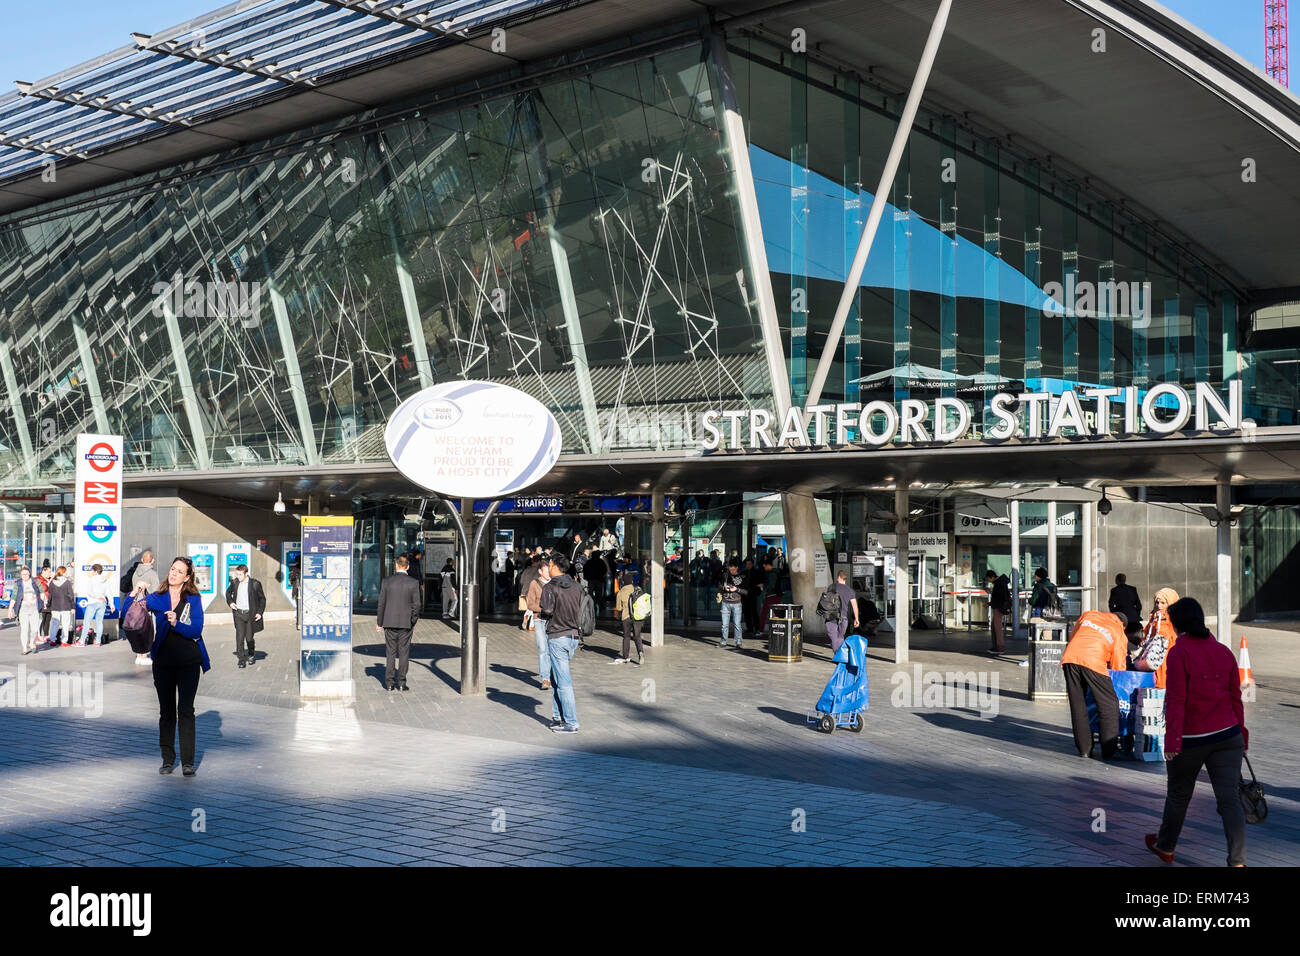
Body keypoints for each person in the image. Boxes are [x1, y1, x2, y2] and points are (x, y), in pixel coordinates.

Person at [1145, 597, 1248, 867]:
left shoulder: (1180, 653)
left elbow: (1176, 699)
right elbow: (1235, 698)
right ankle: (1237, 862)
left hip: (1191, 740)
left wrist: (1171, 740)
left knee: (1179, 795)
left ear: (1178, 625)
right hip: (1228, 736)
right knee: (1229, 801)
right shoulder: (1224, 651)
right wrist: (1242, 734)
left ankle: (1166, 847)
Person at [135, 557, 209, 776]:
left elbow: (196, 629)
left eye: (180, 571)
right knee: (167, 712)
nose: (174, 573)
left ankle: (188, 762)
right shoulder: (158, 598)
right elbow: (130, 610)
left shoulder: (193, 599)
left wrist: (178, 623)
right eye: (173, 569)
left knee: (186, 711)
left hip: (188, 662)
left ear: (187, 577)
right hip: (164, 662)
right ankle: (168, 760)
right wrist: (135, 592)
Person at [1060, 609, 1129, 759]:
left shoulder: (1089, 614)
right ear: (1123, 625)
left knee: (1078, 705)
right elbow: (1118, 666)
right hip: (1093, 661)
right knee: (1109, 705)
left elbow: (1074, 635)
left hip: (1070, 657)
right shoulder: (1118, 631)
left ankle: (1084, 749)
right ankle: (1109, 750)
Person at [539, 554, 583, 733]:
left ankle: (571, 723)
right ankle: (558, 717)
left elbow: (547, 609)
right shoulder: (577, 586)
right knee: (556, 678)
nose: (548, 568)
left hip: (557, 636)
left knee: (564, 683)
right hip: (573, 637)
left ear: (555, 566)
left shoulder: (550, 586)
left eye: (549, 565)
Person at [376, 555, 422, 691]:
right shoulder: (413, 582)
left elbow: (381, 603)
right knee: (404, 652)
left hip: (389, 622)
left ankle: (389, 683)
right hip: (406, 623)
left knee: (390, 652)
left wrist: (379, 622)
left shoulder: (386, 581)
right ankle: (401, 683)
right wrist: (412, 620)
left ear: (396, 566)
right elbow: (417, 605)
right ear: (407, 567)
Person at [1133, 587, 1180, 689]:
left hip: (1168, 664)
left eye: (1163, 603)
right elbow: (1146, 634)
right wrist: (1143, 641)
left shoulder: (1176, 621)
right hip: (1153, 663)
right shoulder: (1154, 619)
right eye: (1157, 603)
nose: (1159, 606)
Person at [224, 564, 266, 668]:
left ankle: (251, 654)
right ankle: (241, 659)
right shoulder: (235, 582)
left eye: (240, 574)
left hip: (250, 615)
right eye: (236, 574)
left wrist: (259, 613)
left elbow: (262, 599)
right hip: (238, 614)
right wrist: (230, 602)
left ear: (246, 574)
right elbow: (228, 593)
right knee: (239, 638)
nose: (237, 576)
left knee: (249, 638)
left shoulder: (255, 584)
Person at [527, 558, 553, 689]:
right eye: (545, 571)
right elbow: (530, 603)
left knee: (552, 649)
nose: (548, 573)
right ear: (540, 571)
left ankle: (552, 676)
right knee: (543, 649)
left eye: (549, 571)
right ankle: (545, 679)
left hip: (553, 621)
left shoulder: (554, 583)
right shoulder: (534, 583)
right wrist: (543, 609)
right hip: (539, 619)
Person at [7, 566, 44, 654]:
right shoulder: (18, 583)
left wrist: (42, 600)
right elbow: (14, 597)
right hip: (23, 609)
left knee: (35, 629)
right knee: (24, 629)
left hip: (35, 609)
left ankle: (32, 642)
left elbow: (42, 591)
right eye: (23, 574)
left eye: (26, 574)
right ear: (20, 575)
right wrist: (10, 609)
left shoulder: (35, 581)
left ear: (29, 574)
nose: (25, 576)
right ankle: (24, 648)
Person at [612, 572, 644, 665]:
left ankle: (626, 656)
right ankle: (641, 653)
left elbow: (618, 608)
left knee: (626, 637)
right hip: (637, 617)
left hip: (626, 617)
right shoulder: (636, 590)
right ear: (632, 581)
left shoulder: (621, 592)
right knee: (637, 636)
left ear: (623, 582)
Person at [824, 570, 860, 654]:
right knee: (840, 637)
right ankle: (840, 654)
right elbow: (854, 606)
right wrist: (856, 618)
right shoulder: (850, 591)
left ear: (838, 577)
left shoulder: (831, 587)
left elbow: (827, 600)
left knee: (833, 637)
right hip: (843, 617)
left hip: (831, 616)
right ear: (845, 579)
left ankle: (839, 655)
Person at [716, 558, 747, 650]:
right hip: (725, 602)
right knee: (724, 624)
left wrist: (736, 589)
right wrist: (724, 588)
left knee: (737, 624)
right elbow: (719, 585)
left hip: (737, 603)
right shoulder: (725, 575)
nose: (732, 570)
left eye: (733, 569)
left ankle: (738, 643)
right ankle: (723, 641)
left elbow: (746, 591)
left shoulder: (742, 577)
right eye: (730, 568)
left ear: (737, 568)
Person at [82, 563, 111, 646]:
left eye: (92, 570)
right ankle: (98, 642)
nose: (91, 572)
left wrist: (97, 597)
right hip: (102, 603)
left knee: (87, 622)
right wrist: (112, 605)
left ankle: (82, 641)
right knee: (99, 622)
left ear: (95, 571)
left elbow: (89, 592)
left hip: (92, 602)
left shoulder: (92, 579)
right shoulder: (105, 580)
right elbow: (109, 593)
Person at [47, 566, 75, 645]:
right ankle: (64, 641)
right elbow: (71, 595)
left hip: (55, 606)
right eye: (65, 572)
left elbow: (50, 596)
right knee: (65, 624)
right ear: (63, 572)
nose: (67, 573)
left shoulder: (52, 582)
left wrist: (49, 605)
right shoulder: (67, 582)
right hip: (66, 606)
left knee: (54, 623)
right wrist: (73, 606)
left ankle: (52, 639)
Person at [986, 569, 1012, 654]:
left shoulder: (998, 584)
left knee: (997, 628)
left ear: (992, 577)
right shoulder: (1001, 583)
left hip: (998, 608)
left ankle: (999, 648)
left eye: (988, 579)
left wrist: (989, 603)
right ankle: (996, 646)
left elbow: (998, 598)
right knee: (995, 627)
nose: (988, 581)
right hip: (999, 607)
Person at [758, 557, 783, 633]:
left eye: (765, 566)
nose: (764, 568)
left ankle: (760, 630)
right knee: (777, 613)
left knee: (764, 613)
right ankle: (782, 630)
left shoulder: (772, 573)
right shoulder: (775, 572)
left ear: (768, 565)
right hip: (776, 595)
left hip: (771, 595)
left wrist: (763, 586)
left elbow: (771, 585)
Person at [583, 543, 607, 614]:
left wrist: (586, 577)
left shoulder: (589, 562)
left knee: (590, 593)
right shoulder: (601, 562)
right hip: (599, 579)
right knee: (599, 593)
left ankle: (591, 605)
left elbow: (585, 569)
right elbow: (604, 570)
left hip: (591, 580)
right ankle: (600, 605)